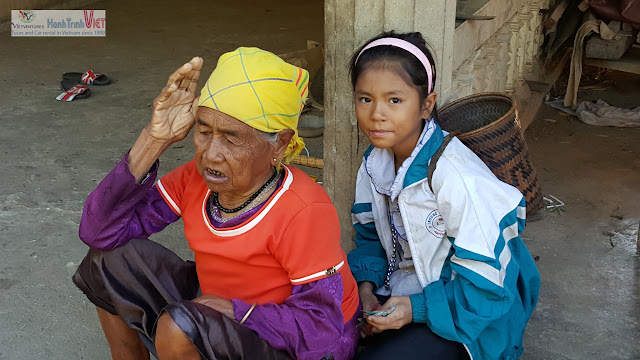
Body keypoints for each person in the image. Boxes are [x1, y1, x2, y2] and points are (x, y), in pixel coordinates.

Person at [72, 48, 360, 360]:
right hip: (217, 306)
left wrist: (240, 312)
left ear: (278, 143)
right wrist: (155, 140)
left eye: (231, 138)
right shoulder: (196, 179)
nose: (211, 154)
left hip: (285, 339)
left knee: (180, 327)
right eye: (204, 132)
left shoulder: (303, 210)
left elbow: (322, 329)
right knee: (107, 261)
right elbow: (100, 231)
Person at [346, 32, 541, 360]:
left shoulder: (456, 176)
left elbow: (488, 288)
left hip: (471, 315)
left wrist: (415, 309)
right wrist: (365, 288)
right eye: (365, 99)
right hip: (404, 294)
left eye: (394, 100)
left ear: (426, 105)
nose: (376, 113)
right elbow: (369, 236)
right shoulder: (374, 165)